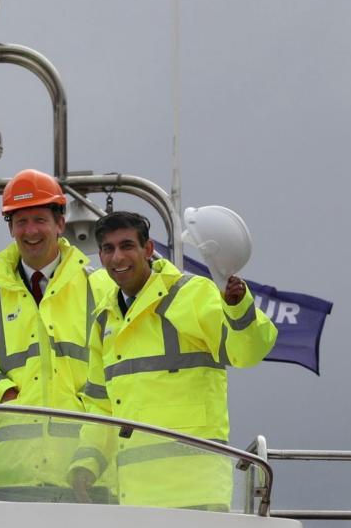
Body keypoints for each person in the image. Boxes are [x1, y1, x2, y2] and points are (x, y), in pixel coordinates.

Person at [69, 211, 277, 509]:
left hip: (197, 495)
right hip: (133, 497)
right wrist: (86, 463)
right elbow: (100, 406)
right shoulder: (104, 319)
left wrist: (237, 306)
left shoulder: (191, 293)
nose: (117, 257)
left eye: (127, 246)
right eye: (108, 249)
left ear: (148, 249)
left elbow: (246, 352)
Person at [0, 168, 114, 495]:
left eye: (39, 220)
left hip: (88, 473)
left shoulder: (102, 288)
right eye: (21, 221)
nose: (30, 231)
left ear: (60, 224)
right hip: (6, 475)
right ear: (10, 228)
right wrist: (2, 393)